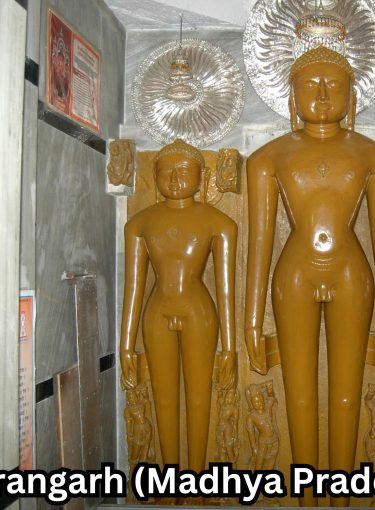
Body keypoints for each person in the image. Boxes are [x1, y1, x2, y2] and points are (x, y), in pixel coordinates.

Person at [244, 46, 375, 507]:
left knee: (347, 394)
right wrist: (252, 319)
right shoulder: (268, 158)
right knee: (299, 394)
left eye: (334, 85)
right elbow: (259, 241)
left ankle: (341, 499)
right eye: (310, 85)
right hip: (295, 273)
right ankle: (307, 498)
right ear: (291, 97)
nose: (323, 94)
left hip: (351, 273)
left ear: (353, 97)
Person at [119, 139, 237, 472]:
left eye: (184, 171)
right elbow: (133, 289)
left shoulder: (219, 223)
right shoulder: (139, 225)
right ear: (154, 175)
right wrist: (126, 345)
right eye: (166, 172)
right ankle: (169, 479)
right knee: (164, 398)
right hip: (157, 313)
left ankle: (197, 478)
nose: (174, 179)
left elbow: (226, 291)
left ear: (202, 177)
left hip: (198, 312)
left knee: (199, 398)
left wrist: (229, 348)